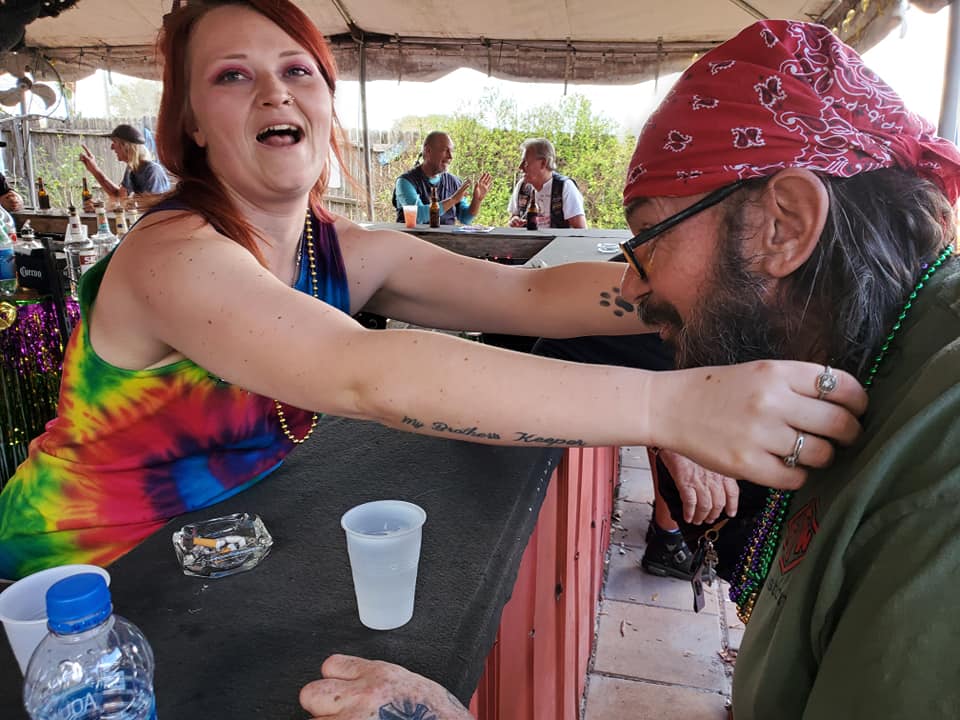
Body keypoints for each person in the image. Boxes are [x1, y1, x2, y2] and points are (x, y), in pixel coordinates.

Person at [0, 2, 865, 584]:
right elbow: (362, 371)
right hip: (69, 582)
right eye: (232, 75)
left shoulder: (342, 250)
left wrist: (707, 284)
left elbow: (526, 298)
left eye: (298, 69)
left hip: (207, 560)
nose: (273, 90)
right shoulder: (172, 255)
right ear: (188, 123)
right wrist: (675, 409)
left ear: (325, 101)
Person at [295, 19, 960, 720]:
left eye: (646, 239)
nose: (632, 286)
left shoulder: (938, 487)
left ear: (784, 226)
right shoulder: (881, 361)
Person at [393, 131, 492, 225]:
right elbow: (418, 216)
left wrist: (477, 200)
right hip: (411, 238)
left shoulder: (454, 182)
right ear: (428, 151)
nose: (450, 156)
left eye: (451, 151)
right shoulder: (405, 182)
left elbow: (465, 218)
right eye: (445, 150)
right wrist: (453, 200)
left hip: (445, 238)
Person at [78, 123, 171, 211]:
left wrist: (105, 208)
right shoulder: (131, 169)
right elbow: (118, 196)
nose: (112, 147)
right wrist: (94, 169)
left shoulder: (152, 171)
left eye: (114, 142)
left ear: (126, 146)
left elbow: (149, 206)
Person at [507, 138, 586, 229]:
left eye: (525, 162)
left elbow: (580, 230)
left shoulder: (565, 187)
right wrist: (514, 221)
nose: (520, 167)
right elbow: (514, 217)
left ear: (543, 163)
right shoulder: (522, 186)